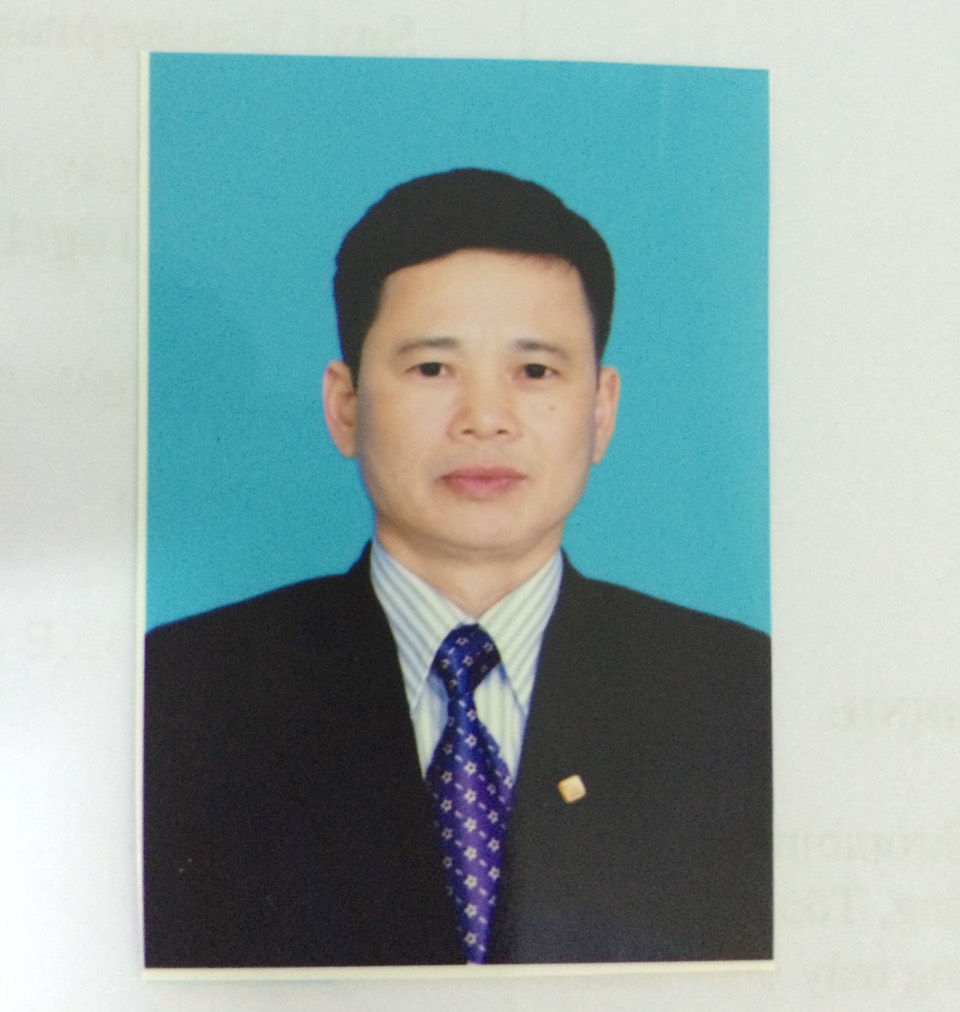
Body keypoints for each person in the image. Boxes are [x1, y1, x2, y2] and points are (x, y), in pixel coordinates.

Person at [143, 168, 771, 968]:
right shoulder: (181, 693)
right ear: (345, 405)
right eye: (433, 369)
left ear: (602, 410)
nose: (484, 419)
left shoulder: (742, 697)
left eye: (535, 371)